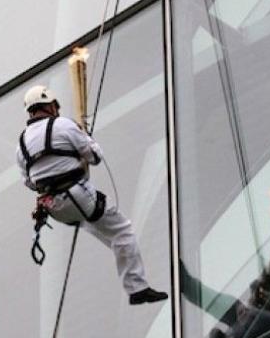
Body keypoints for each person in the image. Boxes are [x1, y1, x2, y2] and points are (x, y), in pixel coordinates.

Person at [17, 84, 168, 305]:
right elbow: (95, 157)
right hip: (78, 196)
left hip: (54, 208)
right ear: (50, 105)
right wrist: (85, 137)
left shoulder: (21, 144)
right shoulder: (63, 125)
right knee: (123, 231)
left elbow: (29, 182)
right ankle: (138, 289)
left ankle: (130, 262)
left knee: (106, 232)